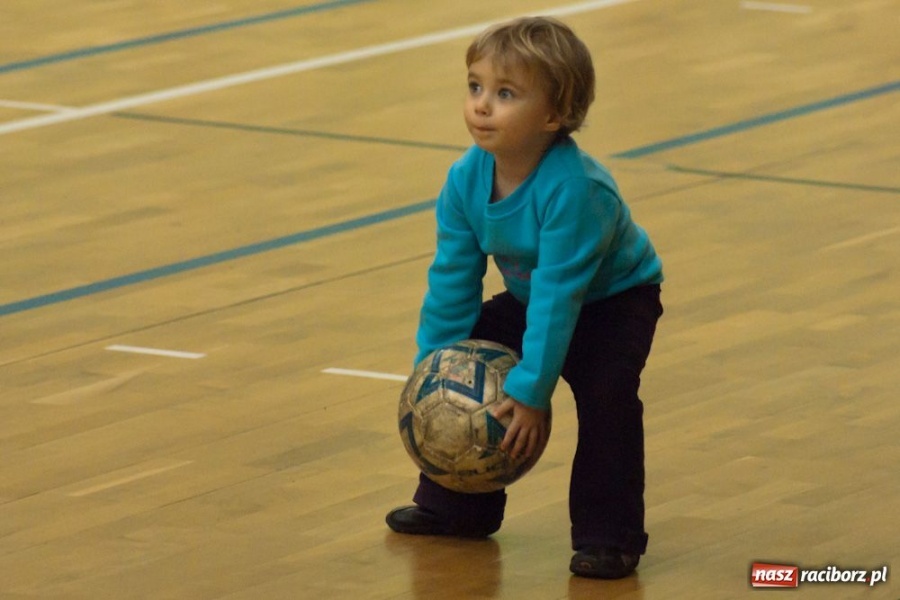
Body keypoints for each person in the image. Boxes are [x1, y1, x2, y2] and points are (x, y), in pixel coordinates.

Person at [385, 16, 664, 580]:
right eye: (475, 87)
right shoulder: (466, 180)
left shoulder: (575, 190)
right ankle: (456, 507)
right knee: (468, 361)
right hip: (530, 295)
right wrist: (432, 369)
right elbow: (452, 278)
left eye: (505, 94)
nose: (482, 105)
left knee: (608, 399)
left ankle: (610, 537)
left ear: (554, 116)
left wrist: (532, 392)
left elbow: (561, 296)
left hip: (612, 303)